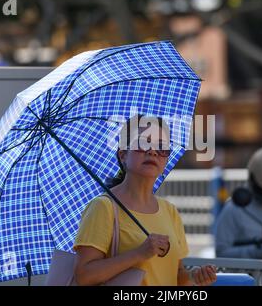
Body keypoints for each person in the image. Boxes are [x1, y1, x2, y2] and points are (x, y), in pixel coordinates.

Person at [73, 114, 217, 286]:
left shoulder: (169, 210)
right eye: (143, 142)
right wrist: (140, 253)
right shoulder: (104, 207)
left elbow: (178, 276)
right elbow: (84, 276)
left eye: (161, 146)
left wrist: (194, 276)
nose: (153, 151)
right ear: (123, 155)